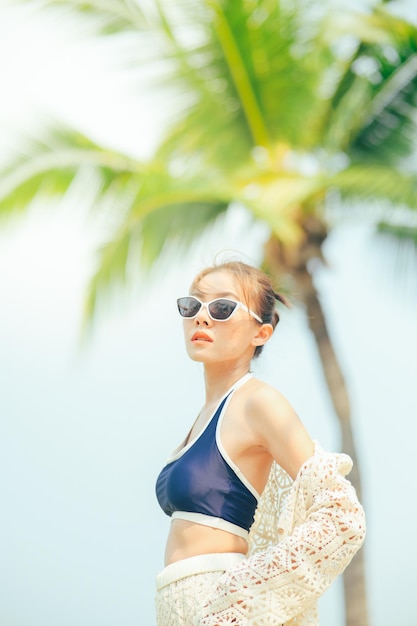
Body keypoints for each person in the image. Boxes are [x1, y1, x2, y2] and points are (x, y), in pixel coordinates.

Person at [155, 260, 366, 626]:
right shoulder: (206, 414)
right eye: (192, 305)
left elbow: (343, 516)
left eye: (223, 308)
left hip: (222, 606)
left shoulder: (257, 402)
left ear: (261, 333)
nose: (202, 317)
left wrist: (238, 597)